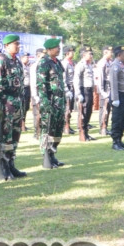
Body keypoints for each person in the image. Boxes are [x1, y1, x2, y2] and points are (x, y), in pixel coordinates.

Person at [0, 34, 28, 180]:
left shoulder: (17, 61)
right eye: (15, 44)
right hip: (6, 105)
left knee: (15, 135)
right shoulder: (2, 60)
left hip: (17, 104)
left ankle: (11, 164)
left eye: (18, 44)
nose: (18, 46)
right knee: (5, 137)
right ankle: (3, 168)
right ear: (6, 46)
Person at [37, 38, 67, 168]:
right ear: (49, 49)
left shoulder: (57, 62)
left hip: (59, 101)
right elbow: (41, 85)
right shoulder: (44, 63)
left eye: (59, 47)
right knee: (47, 129)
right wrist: (45, 103)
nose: (58, 49)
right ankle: (46, 157)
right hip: (49, 101)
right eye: (56, 47)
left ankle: (53, 154)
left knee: (57, 129)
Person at [73, 46, 97, 141]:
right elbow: (76, 79)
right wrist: (78, 93)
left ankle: (86, 133)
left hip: (89, 90)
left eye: (91, 54)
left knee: (89, 111)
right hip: (83, 90)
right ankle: (82, 133)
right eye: (89, 54)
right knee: (83, 112)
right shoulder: (81, 65)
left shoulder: (89, 64)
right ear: (84, 55)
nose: (91, 56)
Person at [95, 46, 114, 135]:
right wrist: (102, 91)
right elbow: (100, 79)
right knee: (104, 108)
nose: (112, 54)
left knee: (108, 109)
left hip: (109, 86)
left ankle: (105, 127)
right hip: (104, 87)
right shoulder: (102, 63)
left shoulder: (109, 62)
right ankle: (102, 127)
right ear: (105, 52)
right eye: (110, 52)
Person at [29, 48, 45, 138]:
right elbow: (33, 82)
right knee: (37, 115)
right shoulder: (34, 66)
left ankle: (43, 132)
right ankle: (37, 133)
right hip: (37, 93)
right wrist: (35, 95)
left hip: (44, 93)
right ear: (38, 56)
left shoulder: (45, 65)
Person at [61, 45, 76, 135]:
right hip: (67, 87)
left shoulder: (71, 63)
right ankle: (64, 126)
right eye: (71, 52)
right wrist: (66, 90)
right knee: (66, 109)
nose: (73, 53)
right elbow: (63, 78)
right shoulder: (65, 63)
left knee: (70, 109)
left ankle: (68, 125)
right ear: (67, 53)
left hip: (72, 87)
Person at [20, 51, 32, 131]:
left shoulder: (28, 66)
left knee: (26, 107)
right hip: (22, 88)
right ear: (22, 58)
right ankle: (21, 125)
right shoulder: (20, 66)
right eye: (25, 57)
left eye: (28, 57)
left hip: (28, 88)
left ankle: (23, 124)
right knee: (22, 107)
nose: (27, 58)